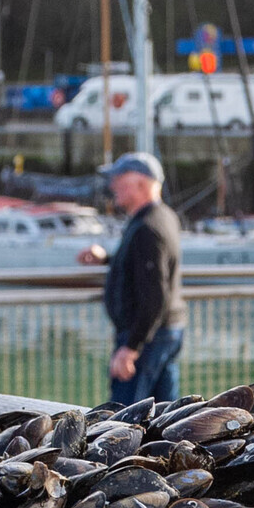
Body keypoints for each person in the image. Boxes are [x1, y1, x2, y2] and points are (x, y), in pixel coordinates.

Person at [81, 152, 186, 404]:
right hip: (164, 331)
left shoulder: (147, 227)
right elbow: (146, 268)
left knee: (125, 415)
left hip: (147, 337)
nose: (112, 186)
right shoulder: (162, 217)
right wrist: (108, 259)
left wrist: (130, 348)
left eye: (119, 179)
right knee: (164, 414)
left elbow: (154, 295)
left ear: (140, 183)